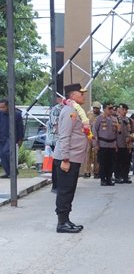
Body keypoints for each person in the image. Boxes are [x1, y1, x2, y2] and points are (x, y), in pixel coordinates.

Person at [52, 83, 89, 233]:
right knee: (65, 190)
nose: (83, 96)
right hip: (68, 158)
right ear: (72, 95)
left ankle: (66, 220)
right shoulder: (70, 111)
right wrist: (65, 159)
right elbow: (65, 135)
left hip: (74, 157)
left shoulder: (75, 110)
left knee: (69, 190)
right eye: (81, 93)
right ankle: (61, 223)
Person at [93, 102, 119, 186]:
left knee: (111, 162)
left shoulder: (114, 119)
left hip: (112, 144)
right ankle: (103, 179)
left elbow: (117, 132)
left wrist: (116, 144)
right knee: (103, 162)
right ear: (104, 109)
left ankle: (109, 178)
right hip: (102, 143)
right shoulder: (99, 118)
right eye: (109, 108)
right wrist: (96, 144)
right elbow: (94, 131)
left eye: (112, 108)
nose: (111, 110)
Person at [0, 98, 24, 179]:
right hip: (2, 137)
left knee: (5, 152)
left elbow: (20, 127)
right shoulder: (0, 114)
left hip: (11, 137)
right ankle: (8, 172)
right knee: (2, 155)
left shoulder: (16, 114)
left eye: (3, 107)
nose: (2, 109)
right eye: (0, 107)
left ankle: (13, 171)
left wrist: (20, 139)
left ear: (8, 106)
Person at [46, 95, 65, 192]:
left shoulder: (67, 109)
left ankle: (60, 184)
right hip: (56, 139)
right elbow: (56, 125)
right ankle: (56, 185)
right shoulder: (56, 109)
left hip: (62, 139)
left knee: (61, 162)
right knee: (57, 163)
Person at [114, 103, 133, 184]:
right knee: (118, 161)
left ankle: (125, 176)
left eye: (125, 110)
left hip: (128, 145)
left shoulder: (130, 120)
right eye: (122, 109)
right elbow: (113, 133)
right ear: (119, 110)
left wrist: (132, 138)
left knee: (127, 161)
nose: (124, 111)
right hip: (119, 143)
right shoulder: (116, 120)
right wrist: (114, 144)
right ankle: (118, 177)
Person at [83, 101, 101, 178]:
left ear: (99, 109)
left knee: (96, 154)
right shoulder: (89, 114)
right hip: (89, 136)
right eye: (94, 108)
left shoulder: (101, 116)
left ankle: (96, 171)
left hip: (97, 137)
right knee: (88, 153)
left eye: (97, 108)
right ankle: (87, 171)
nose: (95, 109)